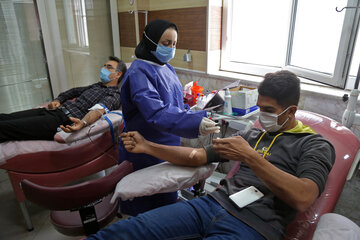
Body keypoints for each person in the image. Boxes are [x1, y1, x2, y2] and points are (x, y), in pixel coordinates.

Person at [87, 70, 335, 240]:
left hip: (254, 225)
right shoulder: (252, 135)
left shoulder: (314, 145)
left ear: (291, 110)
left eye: (269, 110)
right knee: (127, 231)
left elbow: (303, 197)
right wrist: (148, 147)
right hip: (211, 204)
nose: (262, 116)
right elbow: (196, 156)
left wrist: (251, 157)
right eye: (260, 108)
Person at [118, 19, 219, 215]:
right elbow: (156, 112)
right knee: (145, 208)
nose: (171, 49)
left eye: (174, 44)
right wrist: (195, 122)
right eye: (165, 44)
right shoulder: (138, 72)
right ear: (150, 40)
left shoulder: (167, 68)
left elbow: (176, 106)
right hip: (143, 148)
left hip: (169, 146)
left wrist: (196, 115)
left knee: (166, 200)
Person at [0, 56, 127, 142]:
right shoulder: (97, 86)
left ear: (118, 74)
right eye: (104, 66)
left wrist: (82, 123)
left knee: (5, 128)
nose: (103, 69)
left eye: (109, 67)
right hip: (54, 111)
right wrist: (58, 100)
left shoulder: (115, 95)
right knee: (5, 117)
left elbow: (99, 110)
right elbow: (74, 91)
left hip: (61, 121)